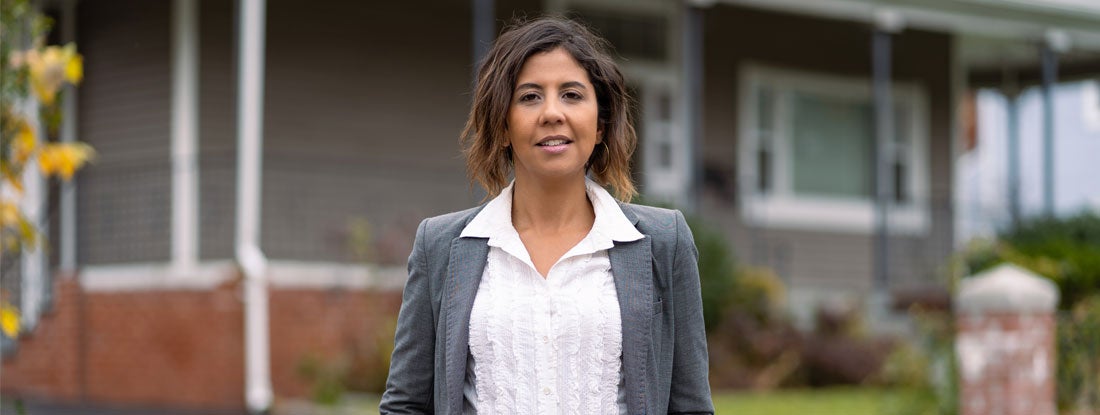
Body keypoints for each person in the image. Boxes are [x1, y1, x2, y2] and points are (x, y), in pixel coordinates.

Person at [380, 16, 713, 415]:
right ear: (502, 126)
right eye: (530, 97)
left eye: (572, 95)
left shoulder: (664, 241)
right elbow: (405, 404)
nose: (552, 113)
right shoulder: (440, 245)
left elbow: (690, 405)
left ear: (601, 124)